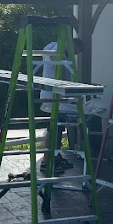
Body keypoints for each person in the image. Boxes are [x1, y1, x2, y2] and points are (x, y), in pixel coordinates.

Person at [37, 38, 83, 172]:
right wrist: (70, 90)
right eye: (76, 51)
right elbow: (60, 72)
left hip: (55, 96)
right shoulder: (57, 50)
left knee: (56, 128)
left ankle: (55, 158)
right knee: (54, 129)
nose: (74, 54)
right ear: (72, 44)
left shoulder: (51, 46)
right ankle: (47, 161)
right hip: (55, 97)